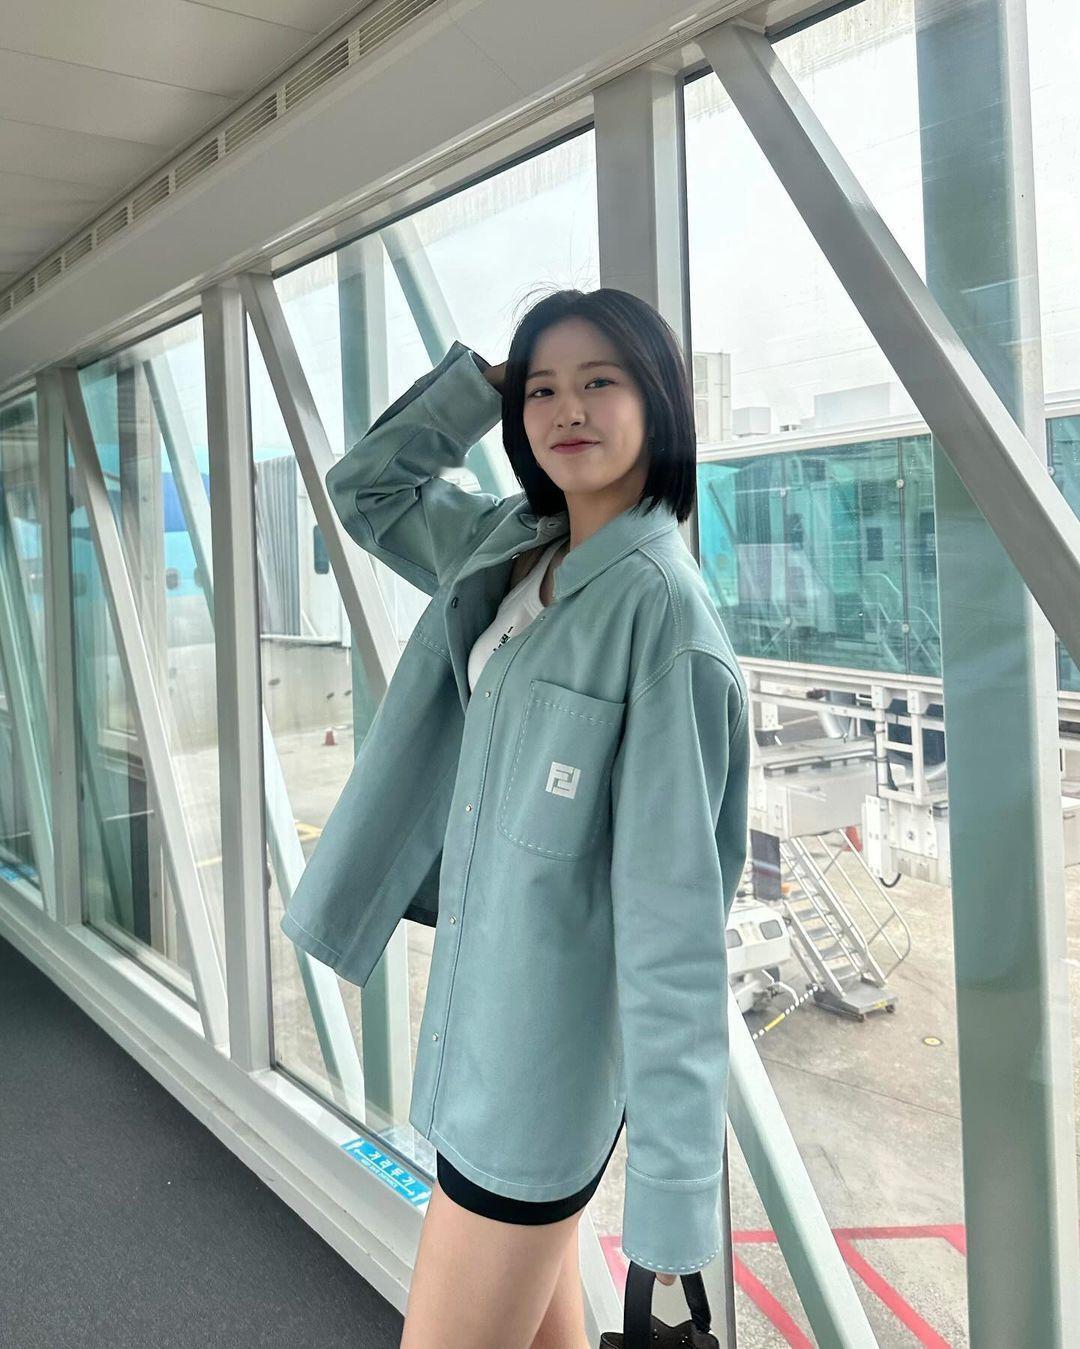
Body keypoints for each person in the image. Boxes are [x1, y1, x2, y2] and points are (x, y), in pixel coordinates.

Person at [285, 287, 749, 1349]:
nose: (566, 409)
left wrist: (673, 1214)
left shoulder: (666, 625)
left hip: (535, 1098)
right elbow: (367, 490)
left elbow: (676, 936)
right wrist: (478, 387)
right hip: (471, 1049)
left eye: (600, 381)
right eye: (543, 389)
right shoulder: (512, 545)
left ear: (660, 400)